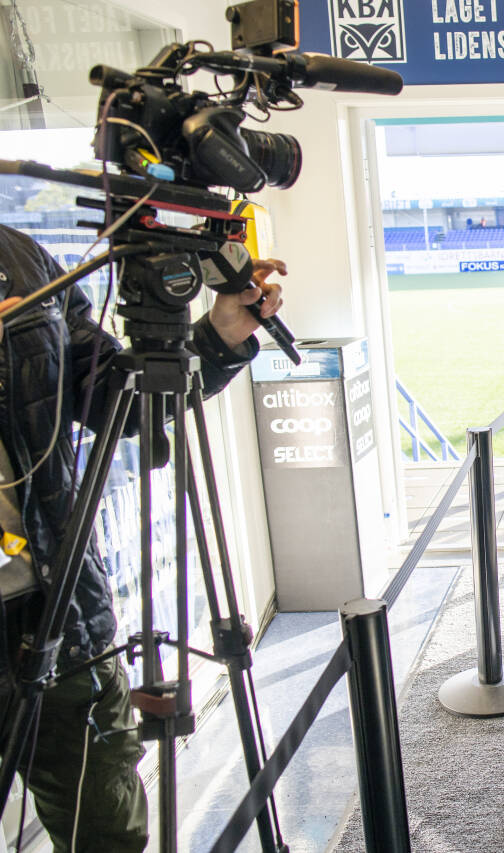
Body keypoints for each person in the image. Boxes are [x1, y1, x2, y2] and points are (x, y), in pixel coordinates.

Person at [0, 224, 284, 852]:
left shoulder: (18, 257)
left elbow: (106, 395)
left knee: (107, 830)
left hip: (54, 609)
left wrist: (213, 341)